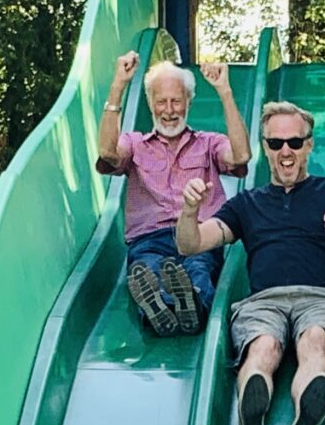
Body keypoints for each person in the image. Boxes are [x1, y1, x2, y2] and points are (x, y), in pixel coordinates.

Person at [176, 101, 325, 425]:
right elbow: (192, 244)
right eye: (276, 144)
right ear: (265, 148)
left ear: (309, 144)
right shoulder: (246, 203)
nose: (286, 151)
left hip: (322, 297)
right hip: (264, 301)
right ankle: (253, 407)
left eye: (295, 142)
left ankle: (307, 414)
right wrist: (188, 212)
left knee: (314, 341)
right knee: (264, 346)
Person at [97, 52, 251, 336]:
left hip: (199, 236)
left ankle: (191, 303)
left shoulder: (208, 143)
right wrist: (118, 86)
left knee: (200, 268)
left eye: (176, 101)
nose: (169, 110)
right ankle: (161, 307)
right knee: (148, 270)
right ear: (150, 104)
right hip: (150, 239)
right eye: (161, 101)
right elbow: (107, 152)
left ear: (188, 102)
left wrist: (225, 93)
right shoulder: (135, 145)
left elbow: (241, 155)